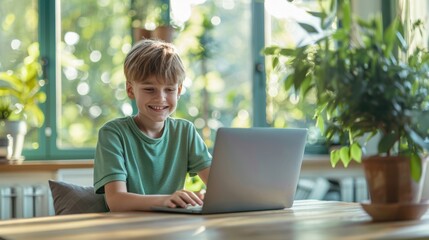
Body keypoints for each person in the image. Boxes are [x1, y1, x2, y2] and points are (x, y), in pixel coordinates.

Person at [93, 39, 212, 212]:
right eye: (150, 89)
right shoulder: (113, 134)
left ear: (178, 91)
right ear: (131, 90)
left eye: (169, 89)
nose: (161, 98)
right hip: (128, 229)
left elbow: (219, 187)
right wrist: (166, 200)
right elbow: (116, 201)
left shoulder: (185, 132)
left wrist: (204, 197)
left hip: (171, 227)